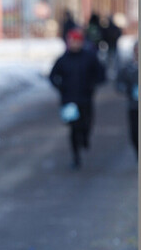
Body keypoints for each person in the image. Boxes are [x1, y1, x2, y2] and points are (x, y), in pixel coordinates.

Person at [49, 27, 106, 169]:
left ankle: (85, 139)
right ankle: (76, 157)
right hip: (69, 100)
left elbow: (100, 74)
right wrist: (60, 87)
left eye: (77, 41)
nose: (74, 44)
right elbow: (52, 76)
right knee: (74, 129)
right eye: (72, 41)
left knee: (86, 124)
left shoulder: (89, 57)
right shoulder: (63, 60)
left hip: (86, 98)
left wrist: (93, 84)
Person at [115, 41, 138, 156]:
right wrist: (126, 89)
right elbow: (119, 83)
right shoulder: (128, 67)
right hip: (133, 105)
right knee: (135, 132)